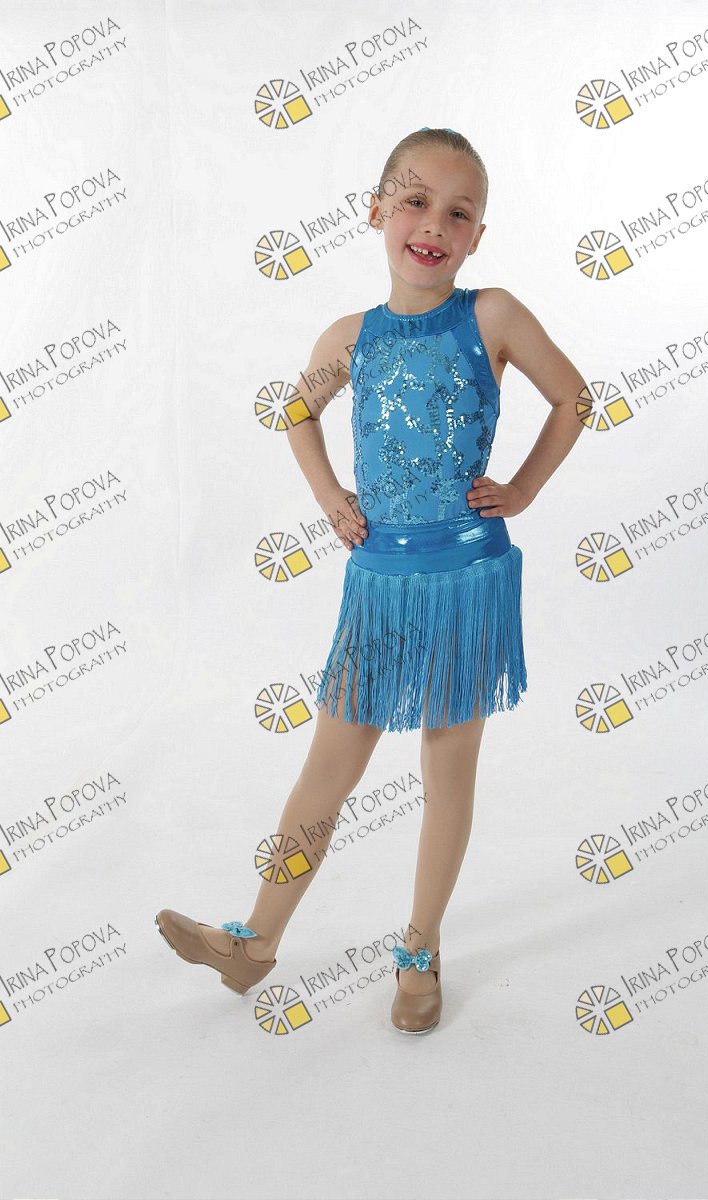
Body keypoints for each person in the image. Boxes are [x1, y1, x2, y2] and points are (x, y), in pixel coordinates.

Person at [155, 126, 590, 1034]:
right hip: (379, 579)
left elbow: (573, 397)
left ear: (478, 235)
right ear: (376, 210)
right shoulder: (350, 338)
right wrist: (330, 498)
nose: (434, 224)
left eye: (458, 213)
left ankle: (420, 951)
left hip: (466, 576)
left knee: (446, 769)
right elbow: (297, 411)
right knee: (328, 766)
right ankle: (254, 942)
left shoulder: (493, 316)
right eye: (415, 201)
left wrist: (522, 490)